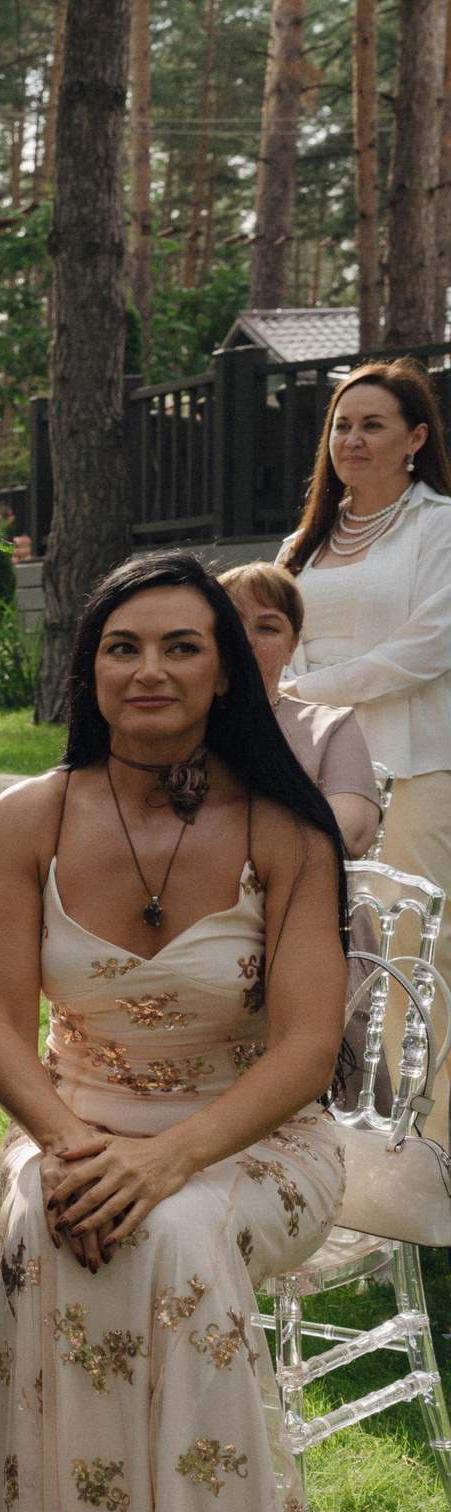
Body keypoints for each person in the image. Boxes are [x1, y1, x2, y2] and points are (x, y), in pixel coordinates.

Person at [0, 553, 350, 1512]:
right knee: (38, 1220)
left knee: (180, 1234)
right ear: (89, 668)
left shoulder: (285, 832)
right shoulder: (29, 817)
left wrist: (166, 1160)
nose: (148, 668)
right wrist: (70, 1146)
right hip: (72, 1122)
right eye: (122, 647)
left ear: (224, 675)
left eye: (180, 646)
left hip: (255, 1140)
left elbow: (307, 1050)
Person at [275, 357, 451, 1144]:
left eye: (373, 424)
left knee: (420, 959)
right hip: (313, 775)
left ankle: (432, 1152)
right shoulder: (302, 543)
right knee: (332, 959)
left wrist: (308, 692)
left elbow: (428, 646)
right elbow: (273, 637)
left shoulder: (440, 526)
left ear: (416, 438)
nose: (352, 438)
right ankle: (347, 1137)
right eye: (342, 425)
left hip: (415, 768)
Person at [220, 561, 383, 856]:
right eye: (231, 623)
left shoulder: (329, 727)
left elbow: (352, 833)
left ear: (291, 648)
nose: (246, 640)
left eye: (267, 628)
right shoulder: (176, 720)